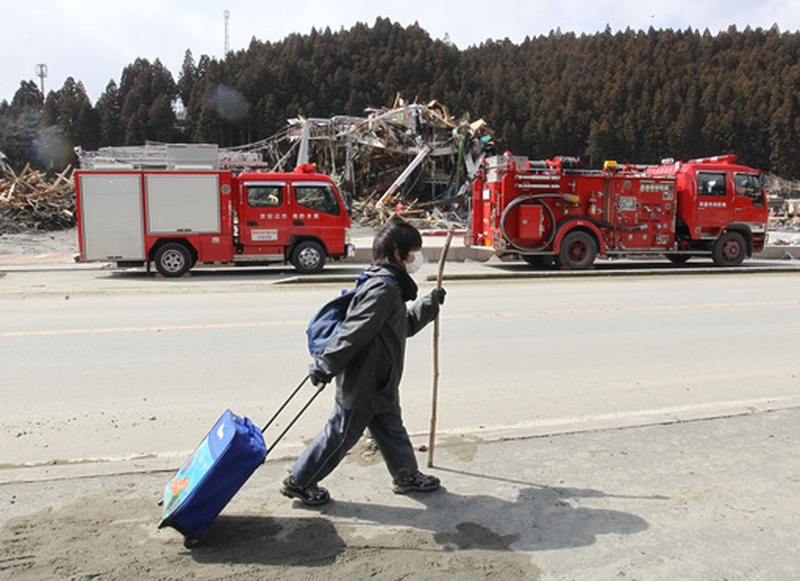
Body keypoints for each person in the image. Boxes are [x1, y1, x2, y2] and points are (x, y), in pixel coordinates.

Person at [281, 217, 447, 505]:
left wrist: (429, 305)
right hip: (365, 382)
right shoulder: (384, 289)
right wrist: (326, 364)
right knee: (341, 434)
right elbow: (353, 331)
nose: (415, 258)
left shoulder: (385, 283)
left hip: (379, 380)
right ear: (397, 253)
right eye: (413, 252)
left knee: (391, 428)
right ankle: (300, 480)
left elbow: (401, 326)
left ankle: (406, 476)